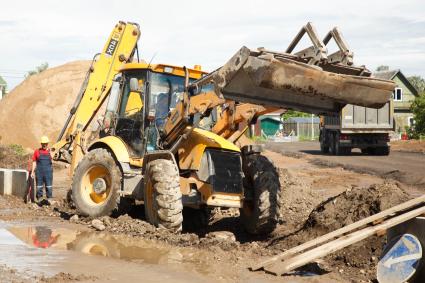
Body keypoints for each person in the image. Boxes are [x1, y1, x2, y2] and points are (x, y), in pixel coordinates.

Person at [31, 136, 53, 201]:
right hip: (39, 172)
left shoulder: (50, 151)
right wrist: (32, 172)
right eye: (43, 143)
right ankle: (39, 200)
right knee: (39, 186)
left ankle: (49, 200)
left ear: (47, 144)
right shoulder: (37, 151)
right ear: (41, 144)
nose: (44, 145)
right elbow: (34, 162)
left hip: (48, 173)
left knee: (49, 186)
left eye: (46, 143)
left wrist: (52, 155)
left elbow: (53, 162)